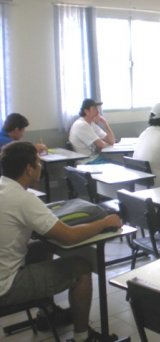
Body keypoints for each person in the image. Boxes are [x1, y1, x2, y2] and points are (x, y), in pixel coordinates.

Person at [0, 141, 122, 342]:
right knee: (82, 268)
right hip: (6, 285)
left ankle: (47, 313)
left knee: (41, 247)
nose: (40, 166)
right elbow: (69, 236)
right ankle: (83, 337)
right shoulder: (23, 198)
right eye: (38, 163)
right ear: (28, 169)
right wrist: (104, 222)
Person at [69, 99, 116, 164]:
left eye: (97, 109)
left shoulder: (91, 124)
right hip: (87, 162)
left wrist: (105, 123)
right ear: (86, 111)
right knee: (119, 168)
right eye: (94, 109)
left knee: (121, 166)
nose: (97, 112)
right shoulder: (82, 125)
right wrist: (109, 144)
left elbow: (112, 141)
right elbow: (102, 145)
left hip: (95, 159)